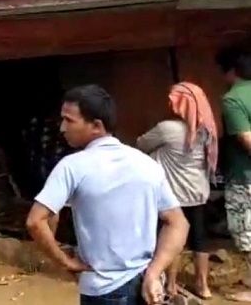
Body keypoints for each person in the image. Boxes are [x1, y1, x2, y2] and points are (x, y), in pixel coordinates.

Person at [26, 85, 189, 305]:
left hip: (103, 290)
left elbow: (36, 221)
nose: (62, 128)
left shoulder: (72, 166)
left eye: (69, 120)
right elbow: (178, 223)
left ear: (96, 126)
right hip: (148, 287)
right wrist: (154, 272)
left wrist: (65, 261)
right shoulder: (146, 164)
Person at [137, 82, 218, 300]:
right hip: (198, 192)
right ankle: (203, 285)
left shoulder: (167, 129)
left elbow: (141, 145)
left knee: (171, 235)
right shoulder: (207, 128)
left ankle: (171, 285)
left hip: (173, 194)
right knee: (200, 237)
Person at [216, 46, 251, 302]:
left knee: (245, 231)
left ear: (231, 72)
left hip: (244, 177)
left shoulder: (232, 99)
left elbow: (247, 140)